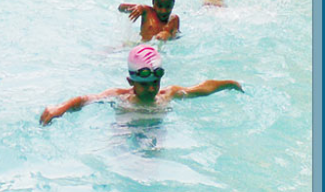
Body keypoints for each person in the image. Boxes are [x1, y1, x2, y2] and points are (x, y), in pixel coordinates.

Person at [40, 44, 243, 125]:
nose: (152, 89)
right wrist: (60, 108)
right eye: (145, 85)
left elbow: (200, 89)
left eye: (155, 82)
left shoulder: (167, 94)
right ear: (131, 81)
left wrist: (229, 84)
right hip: (126, 132)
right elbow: (85, 100)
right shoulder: (120, 96)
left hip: (155, 132)